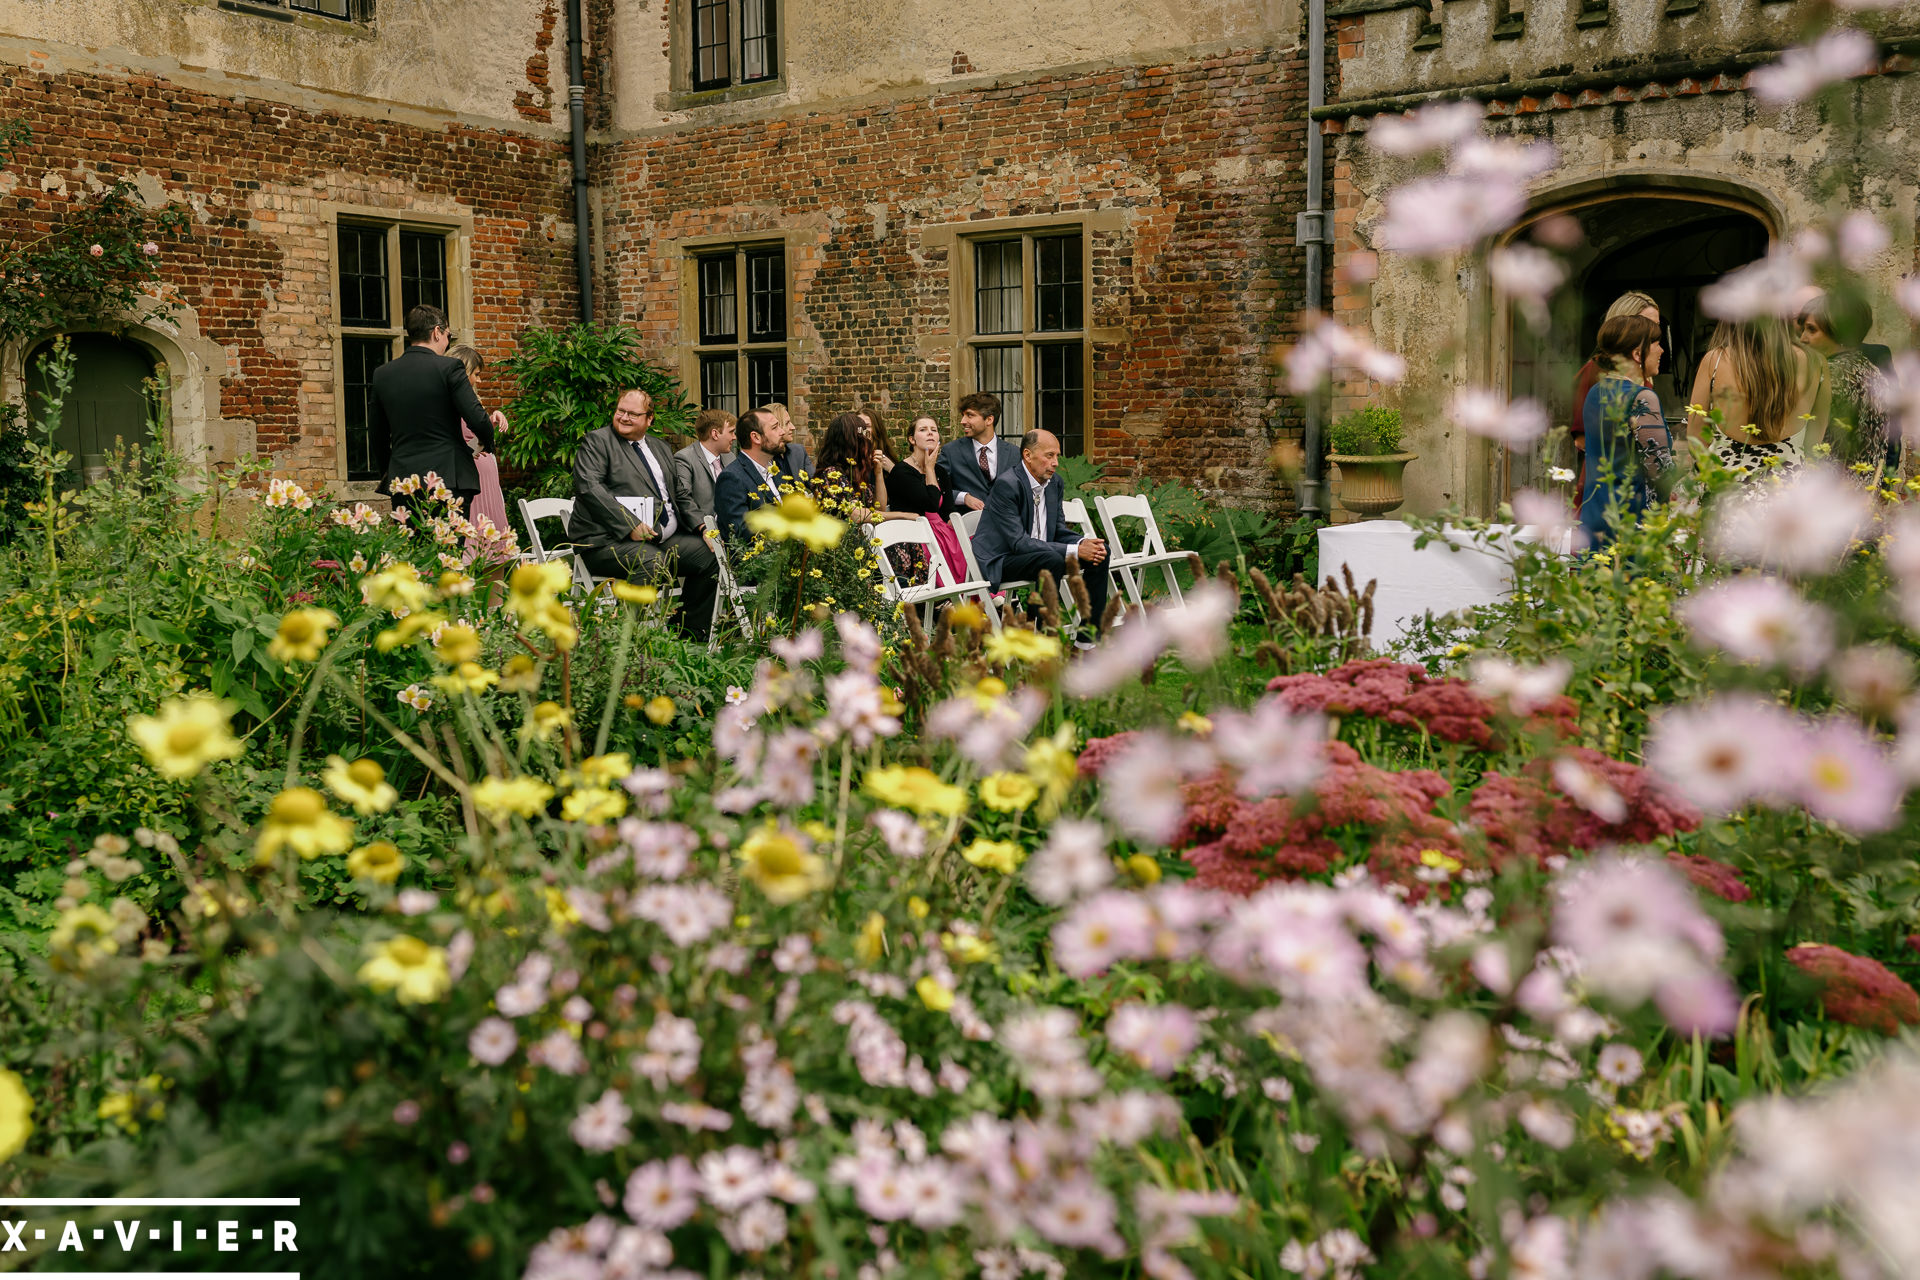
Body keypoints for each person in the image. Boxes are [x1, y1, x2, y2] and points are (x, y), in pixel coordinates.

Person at [569, 388, 720, 641]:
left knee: (711, 555)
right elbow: (589, 487)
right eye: (621, 411)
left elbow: (680, 494)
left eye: (633, 414)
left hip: (661, 539)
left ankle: (686, 635)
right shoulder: (597, 441)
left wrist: (702, 528)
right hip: (607, 542)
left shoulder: (660, 447)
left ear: (650, 419)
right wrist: (629, 524)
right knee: (652, 563)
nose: (624, 418)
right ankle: (624, 641)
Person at [972, 428, 1111, 636]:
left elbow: (1057, 531)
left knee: (1101, 552)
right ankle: (1039, 634)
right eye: (1049, 456)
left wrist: (1083, 544)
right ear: (1027, 455)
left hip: (1042, 554)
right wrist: (1074, 551)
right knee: (1051, 559)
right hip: (1003, 558)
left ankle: (1088, 639)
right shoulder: (1007, 485)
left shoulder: (1055, 483)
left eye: (1057, 456)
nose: (1055, 462)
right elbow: (1019, 542)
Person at [371, 304, 495, 523]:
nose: (447, 341)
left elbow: (377, 436)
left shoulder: (383, 374)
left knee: (415, 554)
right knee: (449, 552)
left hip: (404, 481)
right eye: (448, 335)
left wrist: (391, 472)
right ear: (437, 332)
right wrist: (486, 443)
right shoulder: (450, 368)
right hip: (449, 480)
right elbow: (477, 418)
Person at [1686, 315, 1830, 489]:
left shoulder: (1715, 361)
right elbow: (1814, 445)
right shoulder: (1815, 363)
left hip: (1725, 493)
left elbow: (1696, 441)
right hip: (1788, 494)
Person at [1579, 314, 1675, 549]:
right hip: (1632, 524)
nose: (1662, 350)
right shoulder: (1641, 397)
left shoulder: (1595, 392)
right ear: (1636, 354)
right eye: (1656, 344)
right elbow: (1661, 472)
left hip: (1596, 517)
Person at [1798, 292, 1894, 484]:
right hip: (1862, 490)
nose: (1802, 338)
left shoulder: (1826, 377)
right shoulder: (1874, 372)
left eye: (1811, 330)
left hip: (1824, 490)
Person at [1571, 291, 1660, 493]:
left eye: (1656, 327)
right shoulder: (1595, 372)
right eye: (1646, 324)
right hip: (1607, 485)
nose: (1652, 334)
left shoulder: (1645, 377)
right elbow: (1582, 439)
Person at [883, 413, 969, 585]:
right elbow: (930, 505)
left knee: (973, 546)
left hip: (942, 531)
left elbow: (948, 510)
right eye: (923, 430)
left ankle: (979, 594)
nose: (930, 433)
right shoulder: (902, 472)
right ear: (912, 440)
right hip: (917, 535)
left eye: (934, 430)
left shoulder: (941, 472)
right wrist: (929, 469)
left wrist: (961, 532)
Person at [446, 344, 511, 536]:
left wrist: (491, 418)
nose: (479, 380)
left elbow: (471, 433)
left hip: (487, 478)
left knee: (494, 542)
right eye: (476, 374)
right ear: (464, 372)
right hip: (471, 479)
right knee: (474, 537)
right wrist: (475, 446)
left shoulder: (470, 399)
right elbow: (460, 442)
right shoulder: (447, 402)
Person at [715, 406, 793, 541]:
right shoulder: (732, 478)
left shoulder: (776, 471)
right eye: (775, 428)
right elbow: (741, 533)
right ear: (756, 437)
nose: (782, 432)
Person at [937, 392, 1022, 513]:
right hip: (966, 526)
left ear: (989, 420)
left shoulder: (1014, 453)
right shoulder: (951, 451)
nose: (963, 421)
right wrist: (964, 497)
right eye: (963, 415)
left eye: (970, 415)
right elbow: (938, 489)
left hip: (1005, 525)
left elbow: (1023, 490)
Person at [672, 408, 736, 527]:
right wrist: (704, 528)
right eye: (731, 432)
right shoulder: (685, 458)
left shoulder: (730, 457)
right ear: (715, 434)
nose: (734, 437)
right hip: (704, 529)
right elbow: (684, 500)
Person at [761, 402, 810, 482]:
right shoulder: (762, 459)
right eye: (787, 423)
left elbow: (815, 483)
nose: (793, 427)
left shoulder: (798, 451)